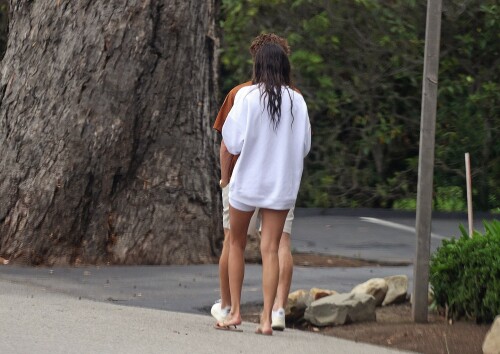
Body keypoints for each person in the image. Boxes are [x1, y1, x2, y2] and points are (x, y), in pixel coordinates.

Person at [217, 43, 311, 335]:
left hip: (247, 182)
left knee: (236, 243)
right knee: (271, 249)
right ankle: (268, 319)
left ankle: (234, 312)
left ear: (258, 66)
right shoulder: (298, 101)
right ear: (285, 67)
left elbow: (231, 142)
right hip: (281, 186)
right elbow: (305, 146)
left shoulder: (246, 96)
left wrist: (225, 177)